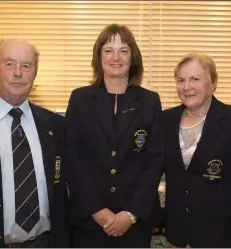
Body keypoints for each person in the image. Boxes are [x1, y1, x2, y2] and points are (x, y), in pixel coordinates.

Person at [64, 23, 164, 247]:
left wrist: (130, 214)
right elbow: (72, 159)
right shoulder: (80, 99)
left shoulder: (150, 101)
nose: (116, 57)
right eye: (108, 50)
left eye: (124, 50)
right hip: (89, 223)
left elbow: (155, 161)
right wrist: (96, 210)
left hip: (134, 224)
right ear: (99, 58)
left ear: (133, 58)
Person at [0, 39, 70, 247]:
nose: (18, 73)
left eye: (26, 66)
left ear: (35, 72)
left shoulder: (56, 126)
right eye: (9, 64)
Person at [162, 53, 231, 247]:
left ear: (213, 83)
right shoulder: (165, 120)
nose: (186, 87)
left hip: (222, 236)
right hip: (177, 235)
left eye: (195, 79)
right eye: (181, 80)